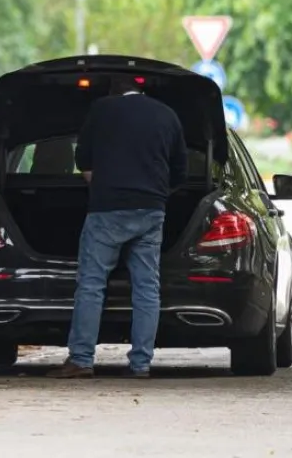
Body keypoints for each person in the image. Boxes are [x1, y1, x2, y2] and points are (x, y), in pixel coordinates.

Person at [48, 73, 187, 379]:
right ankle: (141, 364)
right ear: (140, 89)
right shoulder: (167, 115)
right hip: (152, 211)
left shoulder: (102, 109)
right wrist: (158, 192)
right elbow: (180, 169)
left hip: (108, 210)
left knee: (92, 284)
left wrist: (98, 182)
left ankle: (82, 360)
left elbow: (82, 158)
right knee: (147, 288)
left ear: (113, 92)